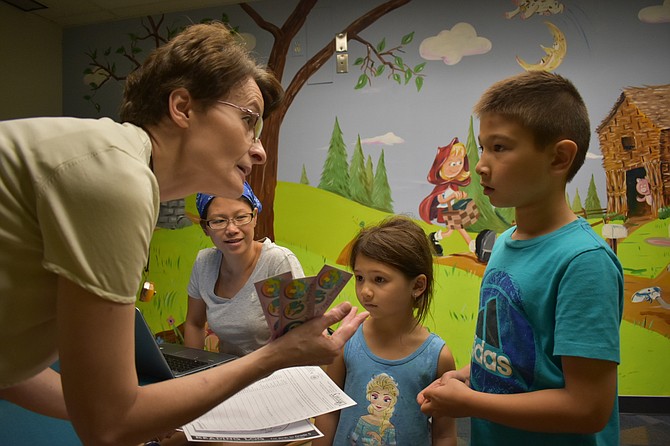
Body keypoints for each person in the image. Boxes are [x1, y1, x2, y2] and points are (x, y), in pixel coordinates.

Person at [0, 21, 368, 446]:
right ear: (183, 107)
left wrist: (144, 414)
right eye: (248, 120)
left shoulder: (110, 163)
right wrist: (276, 356)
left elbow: (10, 372)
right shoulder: (117, 178)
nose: (259, 149)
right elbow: (110, 426)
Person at [417, 71, 624, 445]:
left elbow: (588, 408)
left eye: (500, 148)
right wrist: (470, 376)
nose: (481, 165)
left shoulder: (583, 262)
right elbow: (517, 359)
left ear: (559, 157)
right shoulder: (506, 241)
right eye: (483, 147)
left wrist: (473, 403)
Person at [314, 215, 457, 446]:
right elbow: (329, 410)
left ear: (418, 286)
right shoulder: (348, 339)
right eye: (360, 278)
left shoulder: (437, 357)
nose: (365, 291)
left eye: (379, 279)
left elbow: (444, 433)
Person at [184, 182, 304, 356]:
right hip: (229, 374)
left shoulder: (278, 262)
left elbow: (301, 337)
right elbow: (194, 324)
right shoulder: (204, 263)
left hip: (275, 375)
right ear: (205, 228)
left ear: (254, 217)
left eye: (241, 217)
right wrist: (191, 371)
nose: (232, 229)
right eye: (219, 221)